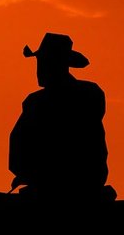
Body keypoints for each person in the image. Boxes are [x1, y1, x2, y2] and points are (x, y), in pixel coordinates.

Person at [8, 32, 114, 204]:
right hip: (83, 181)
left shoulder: (37, 103)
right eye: (39, 62)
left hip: (61, 184)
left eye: (44, 62)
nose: (39, 68)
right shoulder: (90, 93)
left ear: (58, 64)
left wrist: (29, 172)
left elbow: (20, 143)